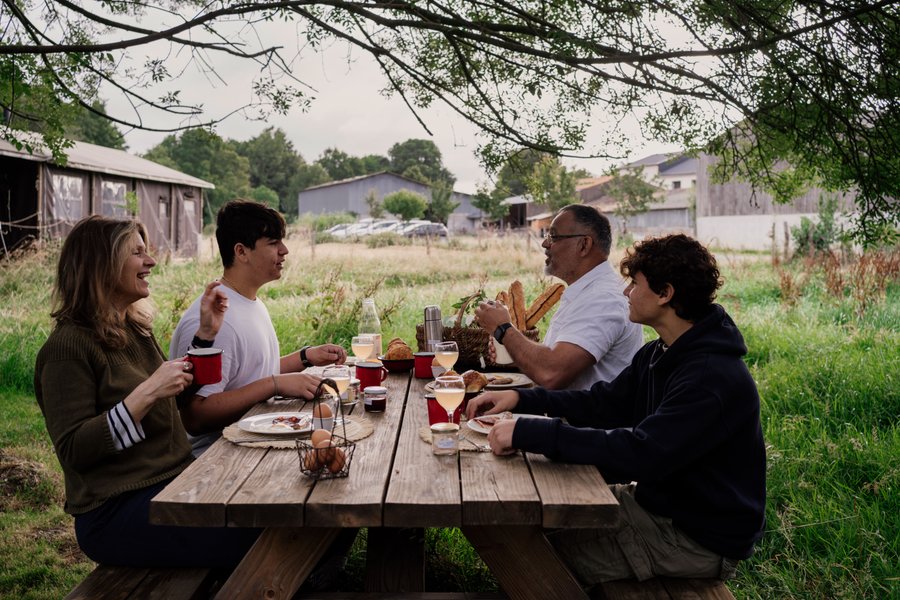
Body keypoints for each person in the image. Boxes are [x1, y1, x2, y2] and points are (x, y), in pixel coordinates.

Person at [466, 234, 766, 585]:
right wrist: (523, 400)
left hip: (695, 537)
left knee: (533, 562)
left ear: (665, 293)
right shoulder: (660, 352)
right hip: (658, 505)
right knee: (532, 523)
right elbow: (602, 403)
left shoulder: (709, 377)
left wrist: (530, 432)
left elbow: (641, 453)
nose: (626, 292)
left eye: (635, 283)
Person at [34, 215, 258, 567]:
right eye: (137, 252)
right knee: (259, 528)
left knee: (270, 500)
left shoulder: (134, 329)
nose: (151, 261)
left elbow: (173, 400)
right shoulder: (67, 347)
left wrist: (205, 335)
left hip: (174, 482)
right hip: (115, 511)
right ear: (101, 264)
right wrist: (147, 392)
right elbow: (74, 450)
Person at [170, 200, 347, 456]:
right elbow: (197, 416)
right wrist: (274, 385)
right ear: (241, 252)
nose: (284, 250)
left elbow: (249, 373)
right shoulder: (215, 320)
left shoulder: (247, 301)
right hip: (217, 457)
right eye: (273, 243)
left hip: (255, 441)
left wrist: (305, 357)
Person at [474, 204, 643, 389]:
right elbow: (554, 358)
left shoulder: (603, 298)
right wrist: (516, 353)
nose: (545, 244)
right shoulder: (587, 290)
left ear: (584, 245)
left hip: (581, 410)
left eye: (553, 236)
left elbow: (552, 373)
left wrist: (503, 329)